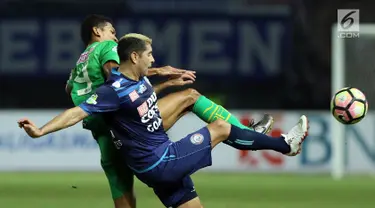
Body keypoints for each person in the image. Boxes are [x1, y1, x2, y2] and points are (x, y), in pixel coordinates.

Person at [19, 33, 309, 208]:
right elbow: (78, 111)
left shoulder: (139, 81)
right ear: (134, 56)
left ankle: (256, 135)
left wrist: (171, 83)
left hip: (156, 163)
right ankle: (285, 145)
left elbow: (143, 102)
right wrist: (41, 131)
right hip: (160, 161)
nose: (153, 58)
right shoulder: (113, 91)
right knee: (220, 128)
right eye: (149, 55)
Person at [66, 15, 274, 208]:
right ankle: (248, 133)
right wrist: (158, 72)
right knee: (190, 97)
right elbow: (117, 76)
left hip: (106, 136)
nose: (115, 36)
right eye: (111, 31)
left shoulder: (78, 65)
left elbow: (70, 89)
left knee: (121, 188)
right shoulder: (106, 46)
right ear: (97, 31)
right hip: (130, 125)